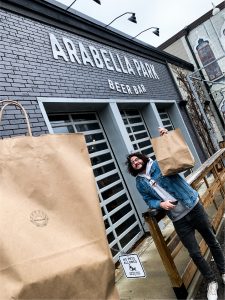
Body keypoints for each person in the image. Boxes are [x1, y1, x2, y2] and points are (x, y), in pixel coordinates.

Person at [126, 128, 225, 300]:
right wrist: (160, 204)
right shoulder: (140, 183)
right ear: (132, 167)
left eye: (136, 159)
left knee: (211, 240)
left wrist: (167, 139)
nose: (135, 162)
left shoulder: (158, 164)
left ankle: (223, 271)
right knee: (194, 252)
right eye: (132, 162)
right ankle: (211, 281)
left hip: (193, 206)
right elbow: (149, 200)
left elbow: (178, 159)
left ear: (142, 158)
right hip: (179, 219)